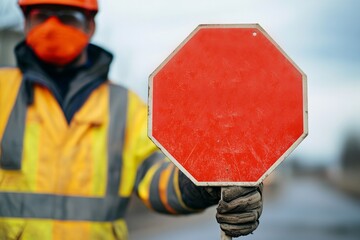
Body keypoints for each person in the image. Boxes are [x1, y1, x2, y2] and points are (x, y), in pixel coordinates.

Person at [0, 0, 263, 239]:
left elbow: (157, 177)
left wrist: (203, 181)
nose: (52, 26)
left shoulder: (126, 107)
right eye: (40, 15)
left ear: (90, 25)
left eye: (67, 17)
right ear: (25, 21)